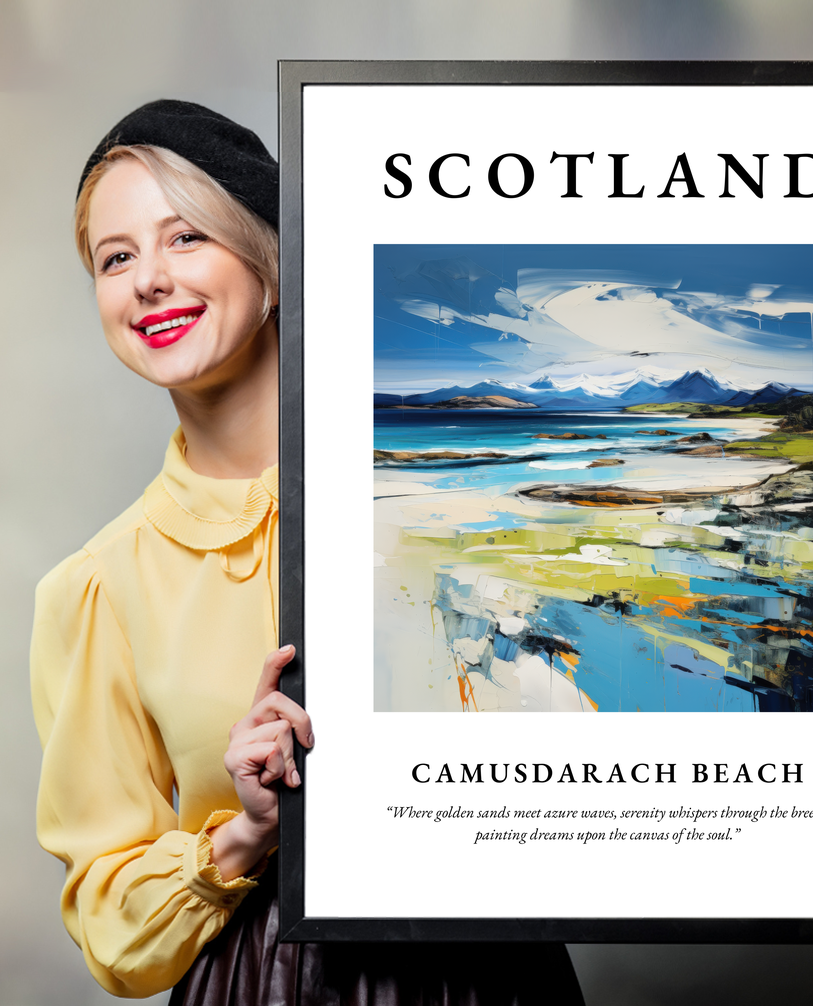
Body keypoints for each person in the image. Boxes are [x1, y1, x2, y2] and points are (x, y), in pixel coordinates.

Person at [30, 100, 586, 1004]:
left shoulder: (452, 501)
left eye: (185, 239)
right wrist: (244, 832)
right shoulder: (97, 587)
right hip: (262, 982)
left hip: (493, 972)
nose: (148, 281)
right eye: (116, 257)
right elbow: (110, 923)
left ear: (273, 263)